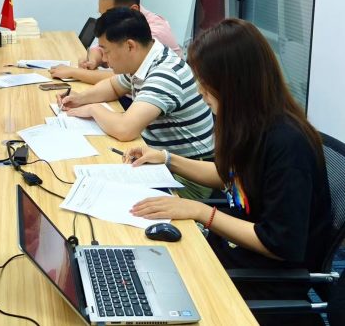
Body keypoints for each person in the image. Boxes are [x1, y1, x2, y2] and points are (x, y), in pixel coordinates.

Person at [126, 19, 332, 326]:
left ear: (233, 83)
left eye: (206, 82)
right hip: (233, 253)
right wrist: (167, 159)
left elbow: (278, 243)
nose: (201, 91)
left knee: (151, 297)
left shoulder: (287, 145)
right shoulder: (251, 124)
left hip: (263, 277)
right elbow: (229, 177)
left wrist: (201, 212)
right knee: (144, 265)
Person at [60, 8, 214, 199]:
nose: (104, 59)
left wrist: (92, 108)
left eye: (106, 51)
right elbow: (114, 86)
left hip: (187, 177)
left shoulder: (165, 73)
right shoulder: (147, 58)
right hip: (159, 159)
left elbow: (125, 129)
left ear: (130, 46)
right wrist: (80, 98)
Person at [51, 0, 182, 84]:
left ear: (133, 10)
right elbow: (101, 48)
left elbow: (121, 78)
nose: (104, 20)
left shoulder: (153, 34)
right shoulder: (126, 24)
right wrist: (93, 61)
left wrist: (74, 72)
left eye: (108, 14)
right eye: (101, 14)